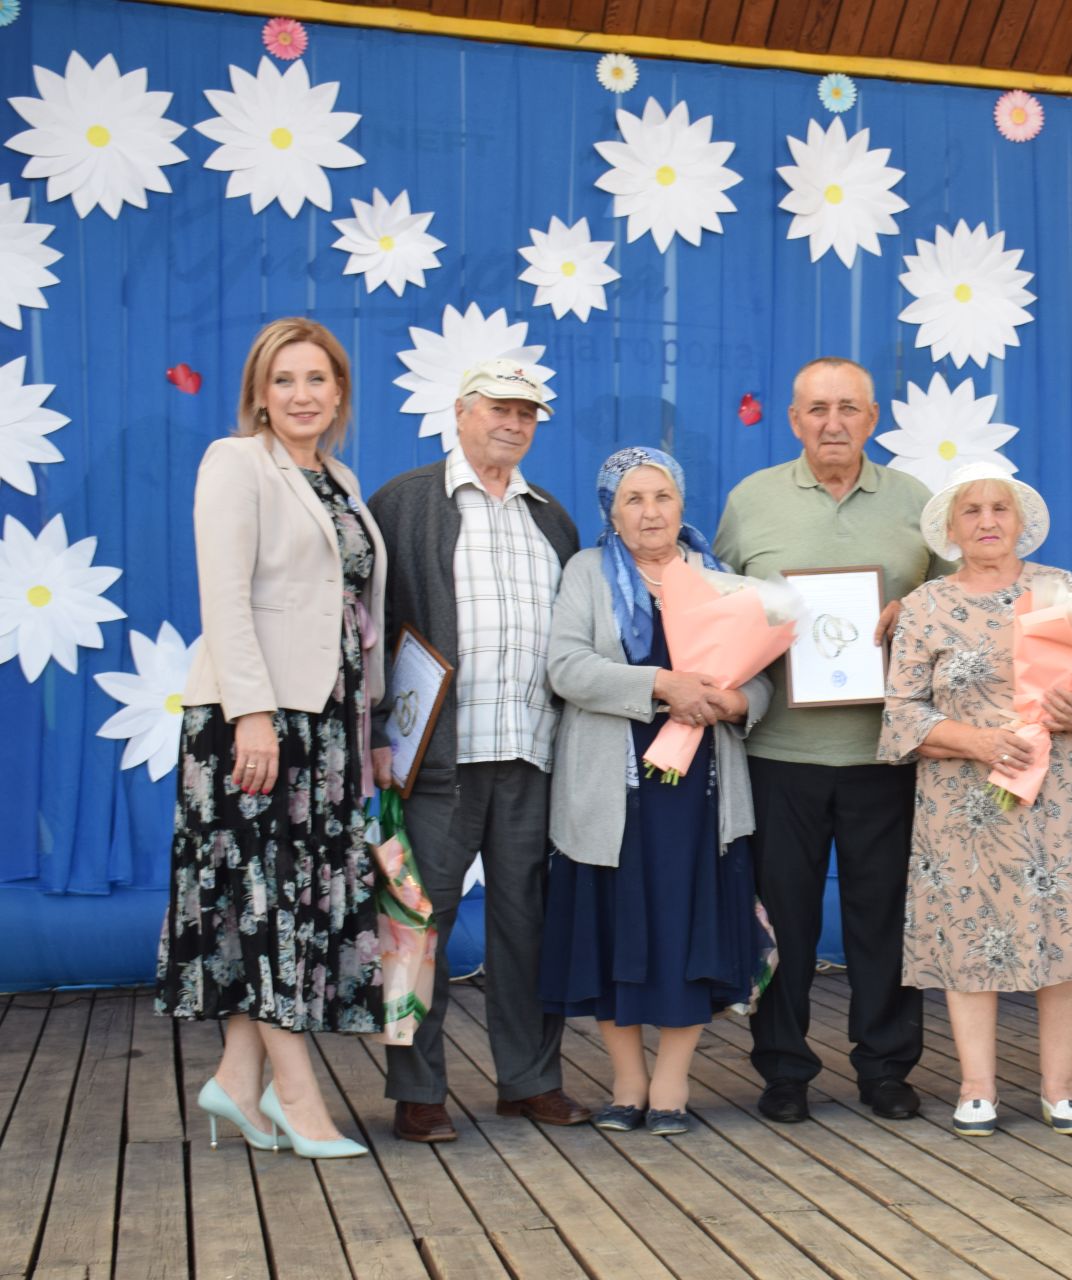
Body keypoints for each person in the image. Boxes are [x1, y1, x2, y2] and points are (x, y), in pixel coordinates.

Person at [156, 317, 386, 1160]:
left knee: (292, 900)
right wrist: (251, 712)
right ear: (259, 392)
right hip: (254, 723)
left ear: (338, 394)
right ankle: (299, 1097)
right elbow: (225, 595)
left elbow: (357, 618)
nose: (301, 395)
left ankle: (236, 1084)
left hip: (326, 725)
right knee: (264, 905)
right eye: (284, 380)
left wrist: (374, 726)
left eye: (317, 380)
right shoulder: (235, 463)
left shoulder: (340, 477)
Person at [714, 356, 947, 1125]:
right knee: (787, 923)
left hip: (886, 756)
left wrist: (910, 615)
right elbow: (717, 613)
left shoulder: (917, 503)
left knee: (884, 921)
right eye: (817, 409)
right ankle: (784, 1070)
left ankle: (886, 1068)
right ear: (794, 419)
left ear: (874, 418)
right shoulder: (751, 503)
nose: (833, 423)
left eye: (849, 408)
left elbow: (955, 607)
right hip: (780, 753)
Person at [368, 358, 590, 1142]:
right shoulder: (403, 501)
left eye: (528, 413)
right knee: (417, 924)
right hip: (436, 757)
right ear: (461, 412)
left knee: (527, 924)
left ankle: (528, 1079)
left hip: (530, 751)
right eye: (500, 408)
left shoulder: (552, 518)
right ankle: (416, 1089)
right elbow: (365, 626)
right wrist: (373, 733)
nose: (515, 423)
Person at [879, 463, 1072, 1137]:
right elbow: (900, 716)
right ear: (950, 529)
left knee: (1066, 930)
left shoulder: (1063, 591)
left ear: (1020, 522)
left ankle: (1061, 1089)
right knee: (967, 937)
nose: (987, 521)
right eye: (972, 510)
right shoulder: (924, 605)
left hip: (1058, 795)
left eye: (999, 509)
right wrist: (978, 743)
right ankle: (977, 1087)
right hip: (964, 798)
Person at [539, 448, 772, 1136]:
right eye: (633, 499)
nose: (650, 512)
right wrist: (661, 686)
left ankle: (670, 1085)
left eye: (662, 497)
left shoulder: (719, 580)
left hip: (699, 797)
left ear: (682, 504)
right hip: (613, 792)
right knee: (617, 933)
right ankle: (626, 1082)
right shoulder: (587, 573)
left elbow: (760, 678)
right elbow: (566, 666)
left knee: (686, 934)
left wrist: (732, 701)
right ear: (611, 510)